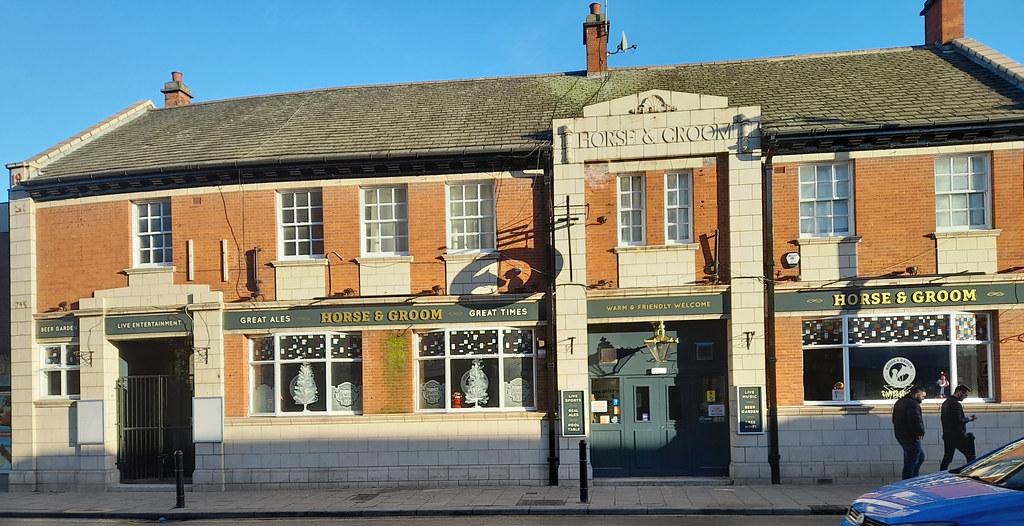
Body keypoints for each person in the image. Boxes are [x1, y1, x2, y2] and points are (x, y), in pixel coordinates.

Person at [892, 386, 927, 479]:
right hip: (910, 436)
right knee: (911, 462)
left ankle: (912, 479)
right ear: (916, 395)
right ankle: (909, 481)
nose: (923, 399)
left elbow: (894, 419)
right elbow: (915, 421)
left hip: (901, 435)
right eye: (922, 396)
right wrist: (920, 433)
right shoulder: (913, 404)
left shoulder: (900, 402)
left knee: (918, 458)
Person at [939, 384, 977, 470]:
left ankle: (941, 473)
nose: (965, 397)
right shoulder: (955, 404)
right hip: (957, 435)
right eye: (965, 395)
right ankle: (970, 472)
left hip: (948, 434)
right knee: (970, 455)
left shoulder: (946, 403)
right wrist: (969, 419)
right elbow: (957, 421)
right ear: (960, 393)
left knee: (947, 457)